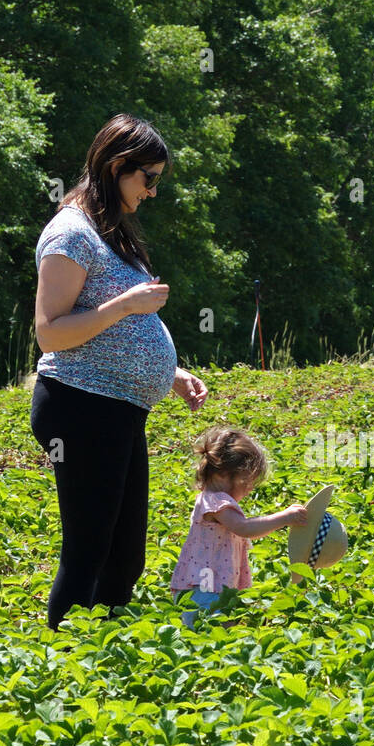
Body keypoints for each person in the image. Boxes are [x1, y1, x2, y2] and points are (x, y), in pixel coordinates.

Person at [30, 113, 209, 630]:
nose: (152, 191)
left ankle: (110, 661)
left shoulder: (107, 232)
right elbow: (51, 331)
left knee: (125, 556)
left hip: (119, 410)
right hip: (80, 405)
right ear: (115, 166)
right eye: (147, 178)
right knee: (89, 550)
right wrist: (128, 306)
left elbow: (111, 332)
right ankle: (65, 661)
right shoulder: (71, 234)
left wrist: (167, 371)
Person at [170, 427, 308, 626]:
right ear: (223, 475)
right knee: (207, 635)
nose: (250, 488)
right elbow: (245, 528)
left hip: (213, 585)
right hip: (204, 587)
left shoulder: (215, 501)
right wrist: (284, 517)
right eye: (247, 481)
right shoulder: (213, 502)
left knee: (221, 634)